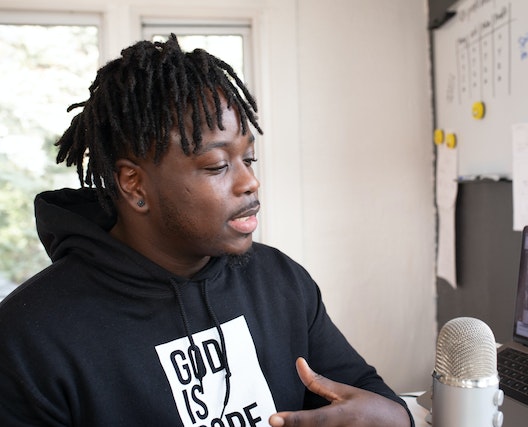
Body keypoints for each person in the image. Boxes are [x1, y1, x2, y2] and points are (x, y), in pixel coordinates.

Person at [0, 35, 413, 427]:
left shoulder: (281, 282)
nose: (249, 182)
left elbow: (366, 399)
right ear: (134, 184)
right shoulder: (31, 335)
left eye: (248, 158)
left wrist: (399, 416)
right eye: (217, 166)